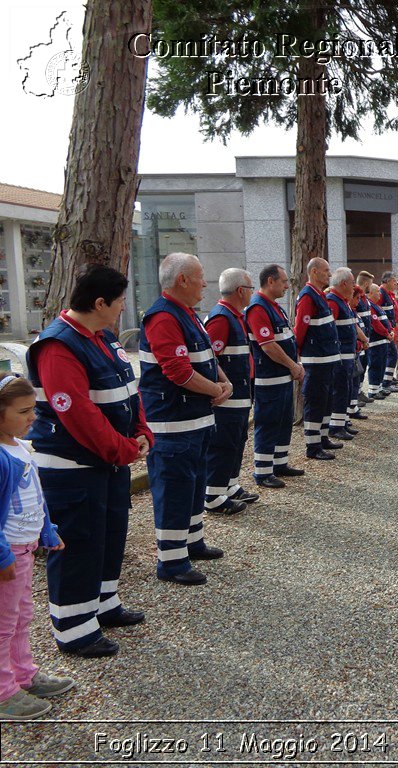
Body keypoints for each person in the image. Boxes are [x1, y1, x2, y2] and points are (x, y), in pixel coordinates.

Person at [27, 266, 151, 656]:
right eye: (118, 302)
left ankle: (103, 603)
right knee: (78, 543)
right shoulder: (59, 346)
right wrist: (125, 449)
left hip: (107, 462)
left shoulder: (101, 338)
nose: (122, 309)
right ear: (99, 303)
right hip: (73, 465)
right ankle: (74, 628)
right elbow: (77, 414)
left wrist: (142, 430)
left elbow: (130, 390)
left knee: (108, 535)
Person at [140, 253, 228, 586]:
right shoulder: (163, 317)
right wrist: (215, 389)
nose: (205, 283)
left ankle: (192, 540)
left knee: (193, 484)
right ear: (182, 280)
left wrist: (223, 382)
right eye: (201, 277)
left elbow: (205, 355)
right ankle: (172, 560)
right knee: (175, 489)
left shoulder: (187, 314)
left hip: (195, 419)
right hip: (173, 423)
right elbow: (177, 371)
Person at [0, 375, 72, 719]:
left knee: (21, 615)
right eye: (23, 411)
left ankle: (23, 674)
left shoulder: (20, 447)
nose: (33, 417)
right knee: (3, 621)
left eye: (33, 409)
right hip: (8, 555)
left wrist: (47, 530)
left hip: (25, 549)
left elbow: (34, 498)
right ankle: (3, 692)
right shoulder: (1, 457)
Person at [204, 268, 258, 516]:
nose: (252, 293)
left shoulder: (234, 316)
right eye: (250, 288)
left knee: (237, 442)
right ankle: (213, 495)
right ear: (240, 291)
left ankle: (229, 484)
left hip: (239, 395)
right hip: (227, 399)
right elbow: (209, 359)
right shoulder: (221, 319)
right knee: (224, 444)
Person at [246, 265, 305, 489]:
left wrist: (295, 365)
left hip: (282, 377)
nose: (287, 286)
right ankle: (262, 471)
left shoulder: (274, 307)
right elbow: (268, 346)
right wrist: (293, 365)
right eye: (283, 282)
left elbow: (287, 338)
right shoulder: (258, 308)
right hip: (268, 379)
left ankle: (279, 463)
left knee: (283, 422)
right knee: (268, 422)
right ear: (270, 281)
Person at [295, 258, 343, 461]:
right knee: (315, 402)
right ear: (314, 272)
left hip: (326, 359)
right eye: (326, 271)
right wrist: (296, 357)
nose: (329, 275)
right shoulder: (307, 297)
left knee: (325, 400)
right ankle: (312, 445)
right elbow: (300, 330)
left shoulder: (319, 295)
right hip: (315, 361)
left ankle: (322, 437)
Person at [326, 268, 367, 440]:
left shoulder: (342, 302)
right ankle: (335, 426)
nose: (353, 287)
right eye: (351, 283)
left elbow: (353, 324)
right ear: (343, 283)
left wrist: (364, 339)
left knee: (347, 388)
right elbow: (330, 330)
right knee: (340, 389)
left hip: (348, 354)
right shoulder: (333, 302)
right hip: (341, 356)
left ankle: (342, 422)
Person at [366, 284, 396, 398]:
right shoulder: (371, 306)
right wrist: (386, 333)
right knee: (376, 365)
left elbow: (385, 320)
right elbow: (376, 324)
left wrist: (391, 331)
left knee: (382, 364)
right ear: (371, 293)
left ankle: (378, 388)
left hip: (383, 341)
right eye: (378, 291)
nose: (380, 294)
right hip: (376, 341)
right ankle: (373, 390)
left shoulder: (377, 306)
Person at [378, 272, 398, 393]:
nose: (396, 283)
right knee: (392, 354)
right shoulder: (381, 293)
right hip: (386, 331)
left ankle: (388, 379)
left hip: (391, 329)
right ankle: (386, 382)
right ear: (387, 281)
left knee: (392, 354)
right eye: (394, 281)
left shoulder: (389, 294)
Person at [353, 272, 375, 404]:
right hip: (360, 339)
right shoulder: (357, 296)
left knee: (364, 366)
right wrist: (362, 339)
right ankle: (355, 395)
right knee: (358, 368)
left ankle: (359, 391)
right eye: (370, 284)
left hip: (366, 337)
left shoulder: (364, 298)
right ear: (366, 283)